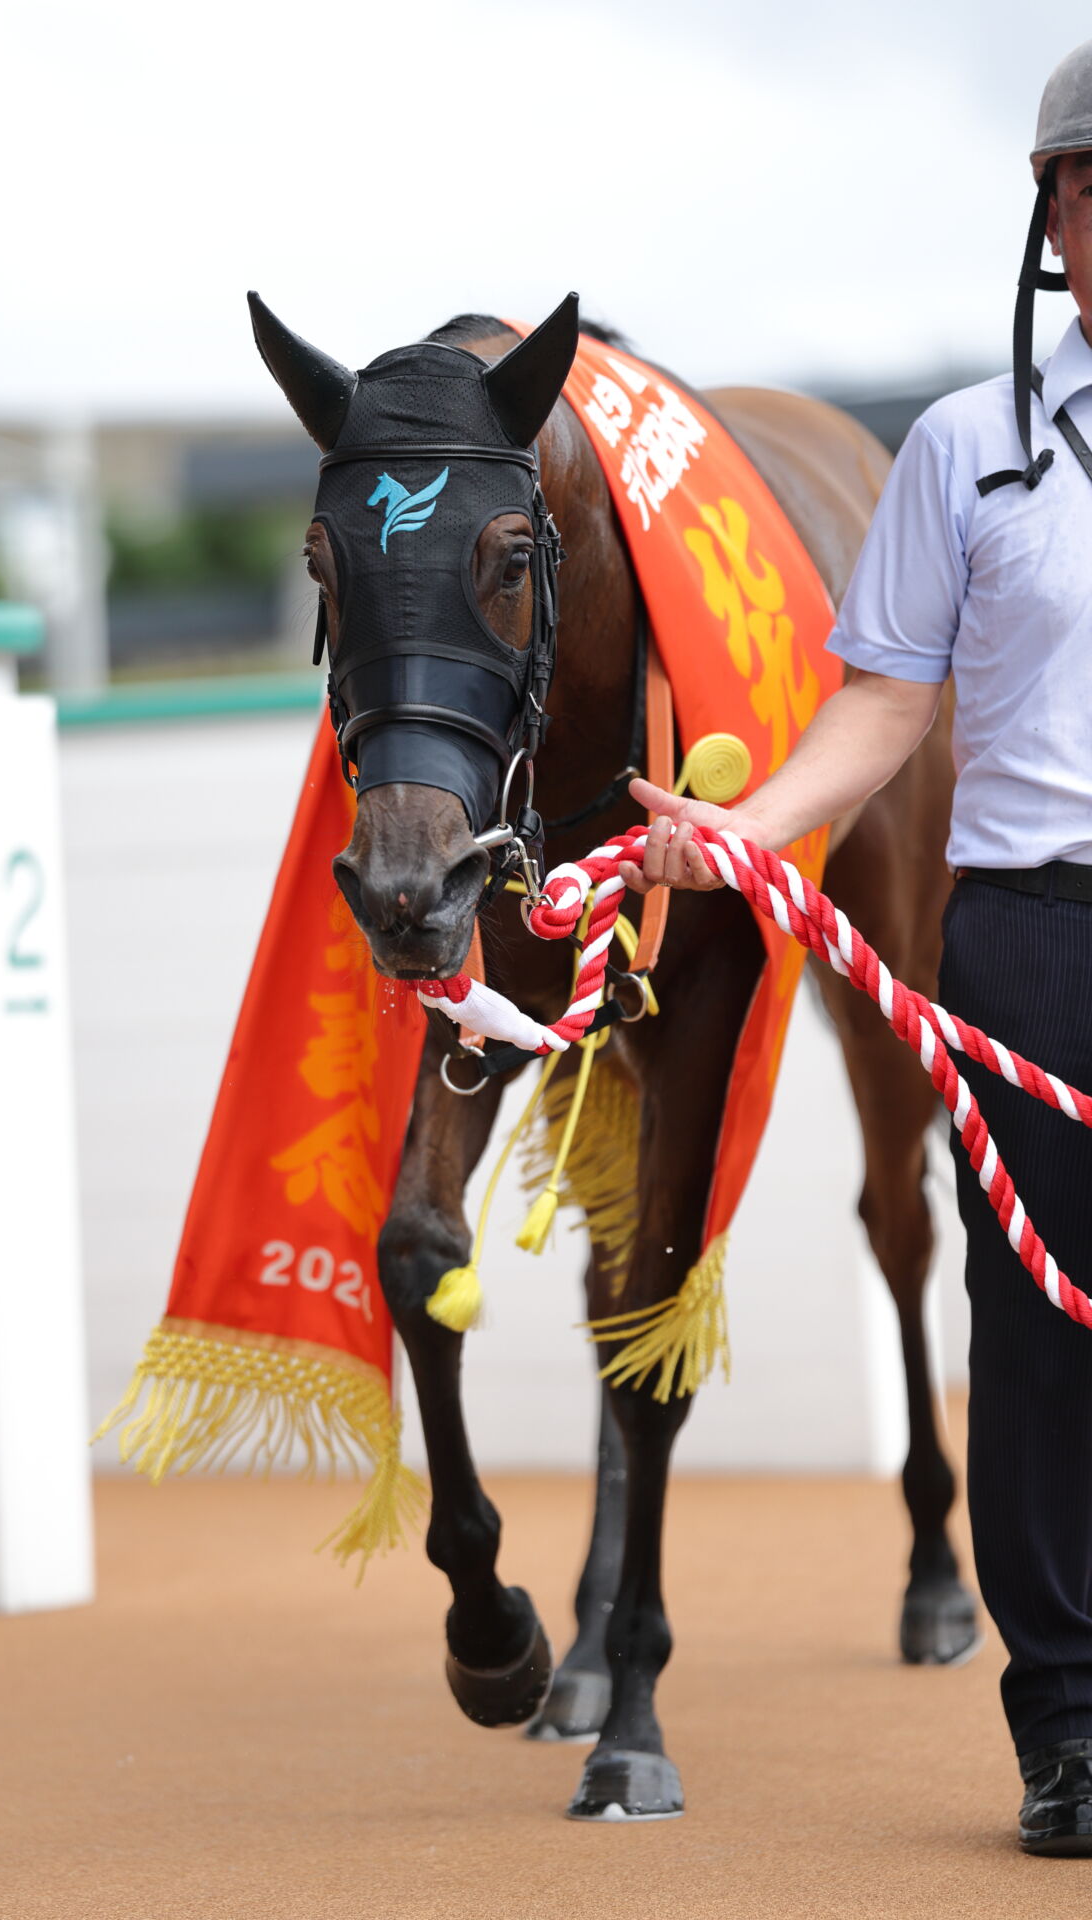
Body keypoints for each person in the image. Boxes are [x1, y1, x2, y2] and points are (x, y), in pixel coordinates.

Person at [622, 39, 1092, 1858]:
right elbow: (881, 706)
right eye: (1089, 185)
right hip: (1033, 931)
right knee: (1040, 1343)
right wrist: (745, 830)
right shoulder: (969, 452)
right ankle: (1065, 1729)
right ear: (1055, 217)